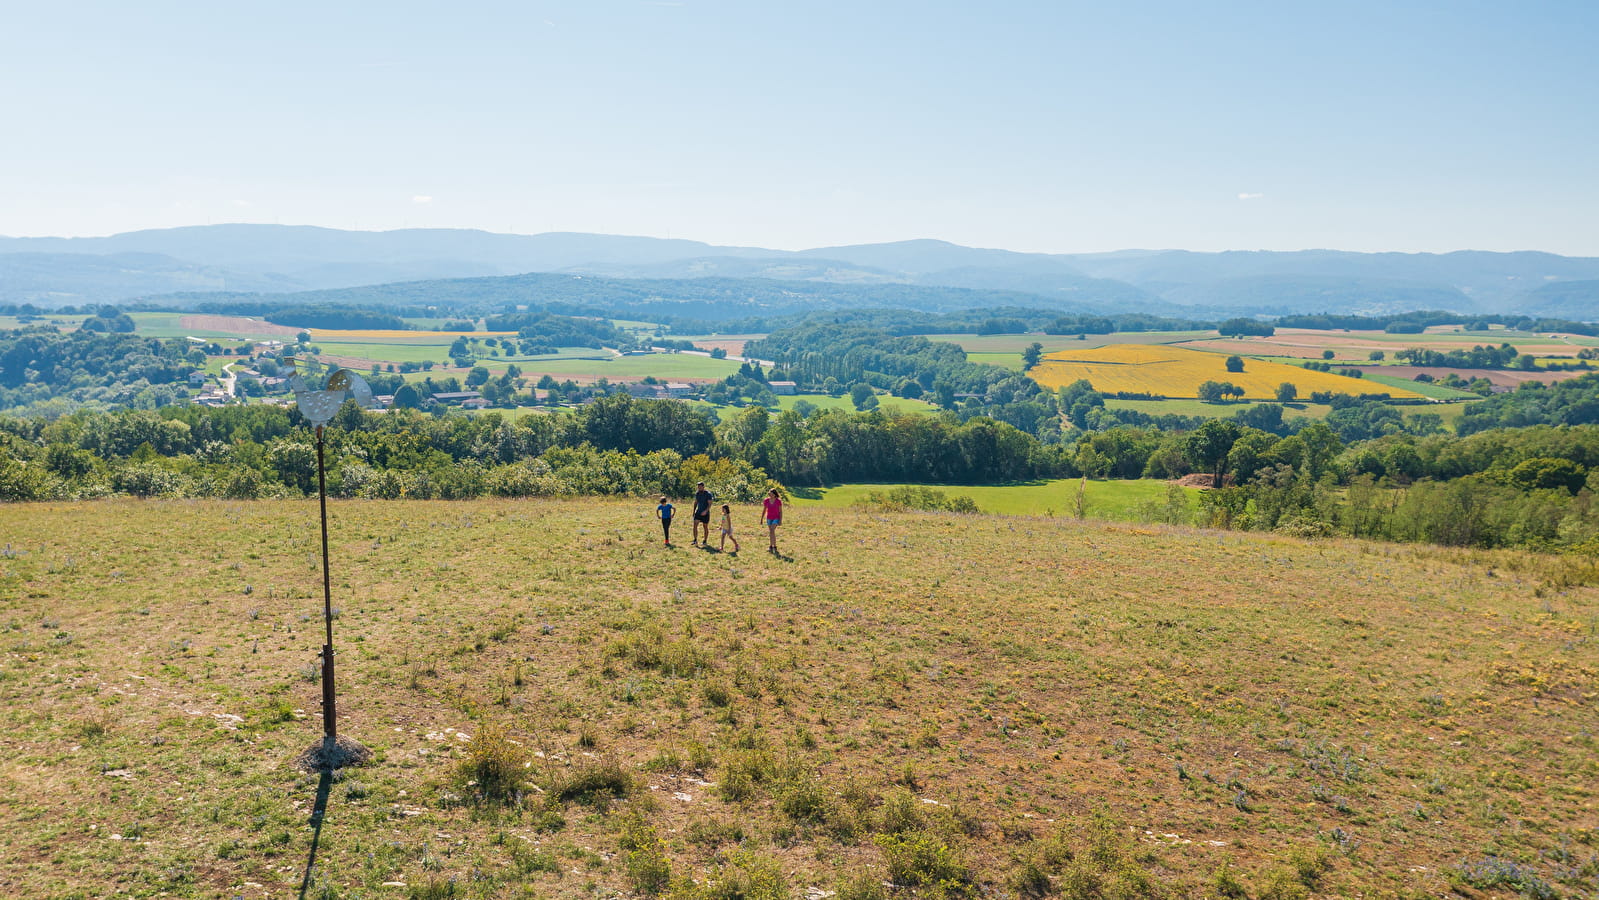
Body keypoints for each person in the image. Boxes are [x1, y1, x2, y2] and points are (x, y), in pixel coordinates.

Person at [691, 481, 714, 547]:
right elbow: (696, 502)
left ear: (703, 487)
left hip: (705, 513)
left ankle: (705, 541)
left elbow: (710, 504)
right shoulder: (697, 494)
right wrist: (694, 511)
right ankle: (695, 540)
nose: (699, 488)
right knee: (695, 525)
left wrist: (706, 511)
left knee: (705, 526)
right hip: (698, 512)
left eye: (700, 487)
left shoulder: (708, 494)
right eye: (698, 487)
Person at [761, 488, 782, 553]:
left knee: (772, 530)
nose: (770, 494)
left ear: (775, 494)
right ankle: (771, 546)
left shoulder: (778, 501)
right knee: (771, 532)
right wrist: (761, 518)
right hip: (769, 518)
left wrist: (780, 520)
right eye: (769, 493)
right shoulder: (766, 500)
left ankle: (774, 546)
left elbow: (780, 511)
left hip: (776, 518)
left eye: (771, 493)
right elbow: (764, 510)